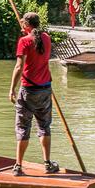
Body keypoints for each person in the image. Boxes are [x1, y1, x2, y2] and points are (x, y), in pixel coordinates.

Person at [8, 11, 59, 176]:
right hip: (45, 89)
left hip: (28, 90)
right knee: (44, 126)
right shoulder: (46, 38)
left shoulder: (24, 41)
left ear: (26, 25)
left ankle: (18, 166)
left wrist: (12, 89)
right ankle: (47, 164)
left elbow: (19, 66)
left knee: (23, 127)